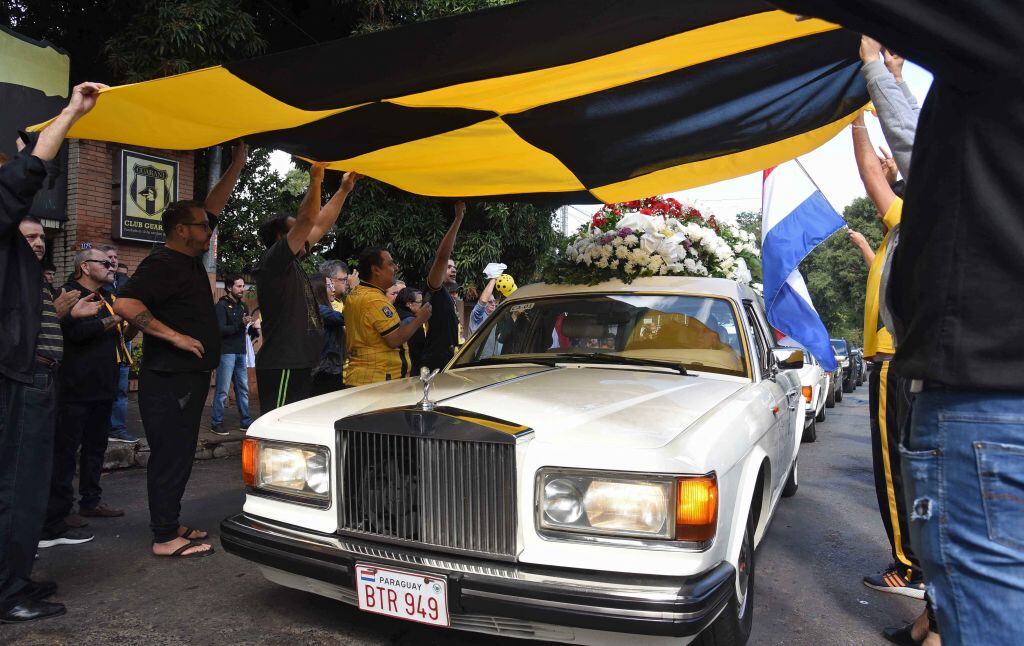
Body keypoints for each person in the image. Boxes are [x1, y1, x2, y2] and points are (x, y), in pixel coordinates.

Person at [770, 4, 1024, 644]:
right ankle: (931, 617)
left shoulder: (924, 212)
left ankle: (915, 583)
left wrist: (870, 87)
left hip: (976, 394)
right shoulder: (908, 228)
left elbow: (913, 154)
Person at [0, 81, 105, 623]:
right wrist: (70, 112)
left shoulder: (19, 254)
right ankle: (7, 591)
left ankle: (16, 578)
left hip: (36, 377)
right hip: (20, 377)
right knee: (16, 483)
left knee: (28, 482)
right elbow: (22, 180)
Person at [113, 141, 247, 559]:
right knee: (171, 455)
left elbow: (212, 205)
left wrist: (238, 162)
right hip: (168, 377)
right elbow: (125, 303)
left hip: (184, 378)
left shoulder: (187, 259)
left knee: (181, 454)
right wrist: (174, 337)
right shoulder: (162, 263)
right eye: (202, 227)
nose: (209, 231)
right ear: (180, 231)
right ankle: (164, 536)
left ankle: (169, 523)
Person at [848, 112, 923, 599]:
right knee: (907, 463)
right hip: (903, 354)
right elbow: (894, 279)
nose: (889, 163)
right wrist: (865, 252)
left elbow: (868, 173)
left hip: (893, 357)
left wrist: (856, 115)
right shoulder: (908, 227)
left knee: (894, 471)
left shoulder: (915, 211)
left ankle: (907, 565)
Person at [40, 246, 132, 550]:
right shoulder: (68, 294)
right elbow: (77, 334)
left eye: (111, 262)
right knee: (66, 451)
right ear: (84, 267)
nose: (110, 265)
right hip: (75, 388)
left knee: (96, 448)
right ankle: (61, 511)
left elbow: (116, 334)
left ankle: (91, 501)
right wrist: (113, 319)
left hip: (103, 385)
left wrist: (124, 323)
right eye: (104, 262)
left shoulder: (107, 298)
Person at [254, 165, 359, 413]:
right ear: (281, 237)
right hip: (283, 365)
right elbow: (309, 219)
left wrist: (344, 189)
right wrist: (315, 180)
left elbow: (320, 225)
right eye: (297, 229)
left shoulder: (294, 263)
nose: (307, 233)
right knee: (278, 433)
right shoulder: (274, 262)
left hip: (300, 364)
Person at [344, 248, 432, 386]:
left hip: (360, 377)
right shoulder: (375, 300)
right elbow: (394, 339)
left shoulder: (355, 294)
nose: (396, 268)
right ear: (376, 270)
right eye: (390, 264)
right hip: (379, 380)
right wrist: (420, 319)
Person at [99, 244, 138, 444]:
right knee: (104, 389)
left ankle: (118, 428)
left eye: (115, 257)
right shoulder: (97, 286)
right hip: (104, 345)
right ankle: (101, 429)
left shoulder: (124, 283)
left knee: (121, 389)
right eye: (108, 257)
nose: (113, 260)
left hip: (123, 343)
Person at [421, 202, 466, 371]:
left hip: (448, 361)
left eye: (454, 266)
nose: (453, 268)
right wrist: (458, 219)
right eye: (448, 266)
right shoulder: (434, 288)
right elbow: (441, 257)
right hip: (434, 363)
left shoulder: (447, 295)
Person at [210, 274, 253, 435]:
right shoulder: (221, 306)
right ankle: (217, 422)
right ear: (229, 288)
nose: (242, 289)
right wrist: (239, 324)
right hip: (226, 352)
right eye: (239, 286)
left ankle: (246, 422)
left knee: (243, 389)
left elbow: (244, 330)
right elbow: (220, 330)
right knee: (222, 390)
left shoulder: (243, 307)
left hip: (241, 352)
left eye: (243, 286)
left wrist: (251, 327)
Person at [309, 273, 346, 395]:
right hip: (324, 371)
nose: (333, 289)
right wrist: (352, 292)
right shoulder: (319, 310)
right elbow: (345, 318)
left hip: (329, 369)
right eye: (329, 286)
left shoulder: (321, 309)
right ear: (319, 289)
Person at [394, 287, 426, 375]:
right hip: (410, 368)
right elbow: (418, 349)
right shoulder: (412, 321)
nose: (422, 305)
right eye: (419, 302)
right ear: (409, 304)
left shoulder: (395, 315)